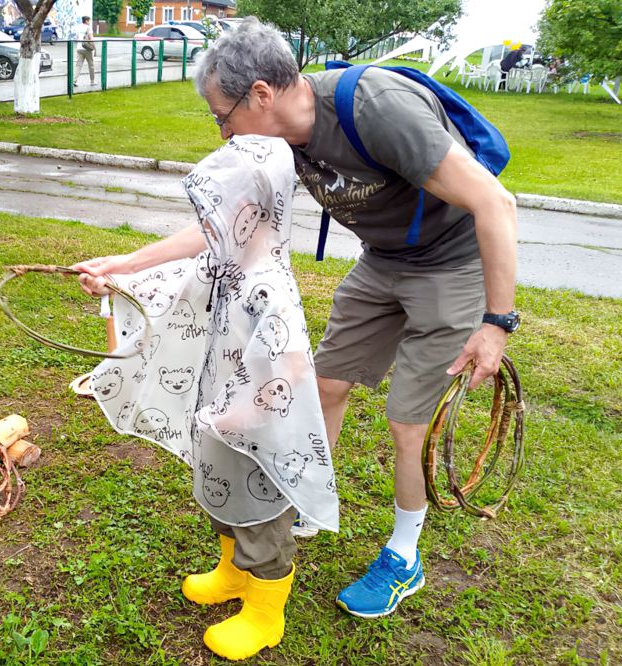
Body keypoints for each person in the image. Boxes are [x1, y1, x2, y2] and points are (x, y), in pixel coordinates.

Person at [83, 17, 519, 621]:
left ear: (261, 94)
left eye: (223, 114)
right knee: (324, 387)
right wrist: (128, 263)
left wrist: (496, 322)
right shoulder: (277, 142)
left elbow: (496, 202)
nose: (222, 129)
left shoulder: (378, 110)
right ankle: (302, 499)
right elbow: (222, 227)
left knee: (406, 421)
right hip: (383, 262)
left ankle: (404, 553)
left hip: (452, 263)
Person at [75, 135, 339, 661]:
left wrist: (238, 416)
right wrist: (118, 281)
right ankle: (231, 573)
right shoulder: (224, 264)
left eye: (215, 211)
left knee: (261, 522)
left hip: (256, 435)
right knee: (223, 501)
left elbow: (289, 370)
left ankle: (266, 612)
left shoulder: (268, 286)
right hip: (218, 420)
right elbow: (167, 285)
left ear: (253, 212)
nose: (206, 224)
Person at [73, 15, 95, 87]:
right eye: (89, 21)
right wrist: (94, 47)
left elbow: (76, 37)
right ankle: (92, 81)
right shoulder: (88, 28)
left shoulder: (78, 27)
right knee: (91, 65)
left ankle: (74, 80)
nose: (90, 22)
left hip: (79, 48)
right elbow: (91, 38)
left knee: (78, 65)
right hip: (87, 49)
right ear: (86, 21)